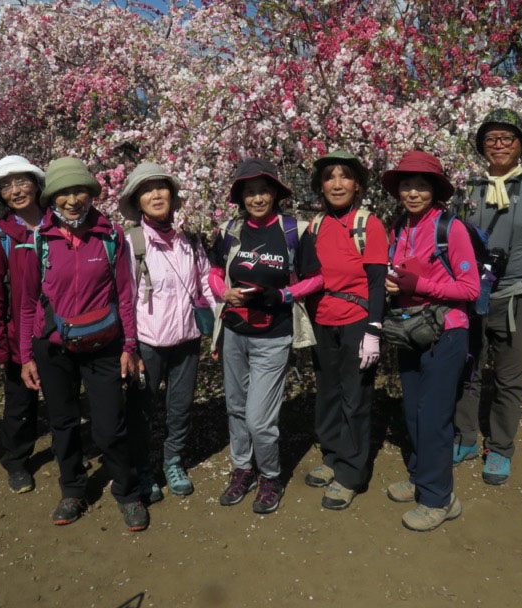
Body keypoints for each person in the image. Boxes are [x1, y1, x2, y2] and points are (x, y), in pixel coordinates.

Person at [17, 157, 147, 531]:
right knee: (63, 423)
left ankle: (128, 492)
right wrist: (26, 355)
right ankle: (72, 490)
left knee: (110, 426)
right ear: (51, 199)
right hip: (54, 347)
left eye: (79, 191)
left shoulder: (110, 237)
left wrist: (129, 345)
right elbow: (27, 302)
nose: (72, 200)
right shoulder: (39, 240)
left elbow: (126, 293)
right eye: (63, 193)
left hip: (103, 344)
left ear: (91, 193)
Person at [452, 109, 522, 485]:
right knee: (466, 371)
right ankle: (465, 438)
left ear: (521, 146)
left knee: (510, 379)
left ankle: (499, 448)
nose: (498, 145)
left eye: (507, 138)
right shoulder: (468, 190)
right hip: (470, 297)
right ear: (482, 147)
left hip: (519, 298)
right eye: (491, 139)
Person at [207, 158, 323, 514]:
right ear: (241, 197)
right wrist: (223, 293)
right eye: (250, 192)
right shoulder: (230, 230)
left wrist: (285, 295)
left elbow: (317, 278)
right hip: (234, 331)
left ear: (275, 194)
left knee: (260, 417)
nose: (257, 198)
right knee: (236, 408)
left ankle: (270, 474)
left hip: (273, 335)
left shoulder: (294, 231)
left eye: (263, 191)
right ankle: (243, 469)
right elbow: (213, 270)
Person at [381, 150, 479, 532]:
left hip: (447, 332)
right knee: (413, 411)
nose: (413, 192)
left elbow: (470, 289)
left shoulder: (450, 229)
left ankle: (437, 499)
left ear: (435, 190)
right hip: (410, 330)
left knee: (435, 416)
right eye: (406, 185)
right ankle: (424, 476)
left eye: (422, 185)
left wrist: (418, 285)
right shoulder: (398, 227)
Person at [119, 162, 216, 501]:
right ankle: (144, 468)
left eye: (162, 188)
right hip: (148, 342)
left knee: (180, 406)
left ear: (173, 197)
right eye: (148, 190)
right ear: (137, 200)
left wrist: (214, 323)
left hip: (187, 338)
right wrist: (128, 347)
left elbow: (205, 281)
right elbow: (125, 295)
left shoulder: (189, 237)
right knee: (143, 409)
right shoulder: (132, 242)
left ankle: (173, 460)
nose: (156, 195)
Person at [303, 150, 388, 510]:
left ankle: (351, 472)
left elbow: (377, 282)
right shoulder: (315, 226)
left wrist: (373, 329)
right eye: (329, 177)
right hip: (323, 319)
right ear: (320, 186)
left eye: (345, 176)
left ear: (357, 185)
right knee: (328, 392)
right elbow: (305, 277)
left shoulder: (369, 225)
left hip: (356, 320)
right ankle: (332, 454)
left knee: (355, 395)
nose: (337, 184)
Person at [0, 155, 45, 495]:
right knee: (20, 403)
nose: (16, 190)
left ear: (36, 184)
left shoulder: (58, 221)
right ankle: (17, 461)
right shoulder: (2, 234)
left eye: (22, 182)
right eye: (6, 185)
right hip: (20, 332)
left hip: (61, 327)